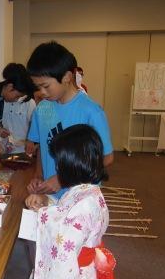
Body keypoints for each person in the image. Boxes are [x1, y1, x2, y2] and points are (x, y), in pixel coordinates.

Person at [25, 124, 116, 279]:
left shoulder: (85, 203)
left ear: (72, 164)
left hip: (73, 275)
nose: (57, 168)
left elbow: (62, 242)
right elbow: (64, 212)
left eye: (59, 164)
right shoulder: (88, 191)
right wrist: (46, 202)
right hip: (81, 269)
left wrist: (41, 213)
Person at [26, 41, 113, 200]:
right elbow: (42, 147)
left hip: (81, 198)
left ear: (66, 76)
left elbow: (106, 158)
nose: (42, 92)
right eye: (38, 87)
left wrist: (63, 179)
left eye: (46, 86)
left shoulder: (91, 112)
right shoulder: (43, 109)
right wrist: (38, 175)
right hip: (50, 193)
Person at [0, 63, 37, 154]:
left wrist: (30, 140)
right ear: (10, 87)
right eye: (17, 96)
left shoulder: (29, 103)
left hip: (23, 151)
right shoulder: (0, 100)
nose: (17, 98)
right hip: (2, 150)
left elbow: (34, 123)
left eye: (19, 96)